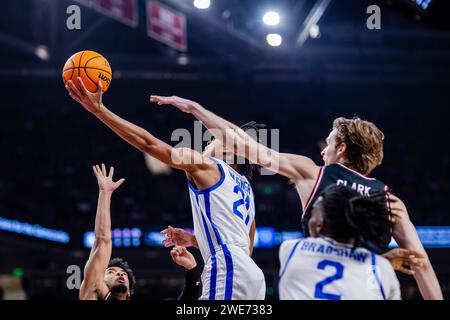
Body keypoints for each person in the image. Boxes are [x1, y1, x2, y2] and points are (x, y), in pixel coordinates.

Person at [149, 95, 442, 300]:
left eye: (327, 143)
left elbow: (244, 144)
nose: (322, 150)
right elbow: (421, 264)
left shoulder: (311, 173)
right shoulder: (391, 201)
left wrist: (196, 109)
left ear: (341, 149)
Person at [66, 79, 266, 300]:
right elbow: (245, 249)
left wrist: (99, 110)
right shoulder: (246, 188)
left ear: (229, 151)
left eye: (212, 141)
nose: (206, 144)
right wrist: (192, 240)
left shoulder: (207, 165)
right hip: (252, 276)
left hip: (227, 268)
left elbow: (148, 143)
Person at [279, 185, 424, 300]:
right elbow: (345, 269)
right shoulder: (380, 268)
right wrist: (379, 262)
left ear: (319, 224)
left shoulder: (291, 249)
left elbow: (329, 265)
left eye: (313, 212)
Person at [79, 164, 136, 300]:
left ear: (129, 292)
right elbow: (103, 239)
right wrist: (105, 193)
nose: (120, 275)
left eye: (123, 274)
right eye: (111, 272)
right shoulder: (95, 288)